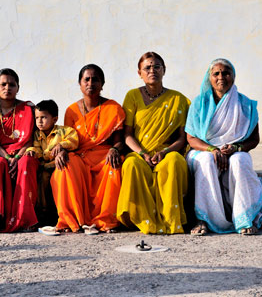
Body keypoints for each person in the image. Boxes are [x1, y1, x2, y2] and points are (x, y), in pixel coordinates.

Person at [185, 58, 262, 235]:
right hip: (202, 151)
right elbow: (191, 138)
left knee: (240, 160)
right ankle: (204, 219)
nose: (221, 77)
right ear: (209, 78)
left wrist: (236, 149)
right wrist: (212, 150)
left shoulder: (245, 105)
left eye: (226, 72)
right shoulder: (199, 103)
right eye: (216, 73)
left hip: (234, 150)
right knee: (207, 161)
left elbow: (254, 139)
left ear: (233, 76)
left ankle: (245, 218)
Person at [116, 52, 191, 234]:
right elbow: (127, 135)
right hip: (141, 152)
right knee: (132, 164)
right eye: (147, 67)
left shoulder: (178, 99)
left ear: (164, 70)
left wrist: (165, 152)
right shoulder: (132, 96)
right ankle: (142, 219)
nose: (152, 71)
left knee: (175, 162)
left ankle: (171, 220)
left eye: (157, 66)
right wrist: (143, 153)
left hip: (166, 152)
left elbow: (183, 138)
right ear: (139, 72)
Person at [51, 64, 125, 234]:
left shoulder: (113, 108)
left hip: (104, 155)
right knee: (64, 167)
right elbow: (68, 138)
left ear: (102, 84)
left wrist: (114, 149)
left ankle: (105, 220)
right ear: (80, 83)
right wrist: (61, 150)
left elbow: (119, 141)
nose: (91, 83)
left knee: (114, 165)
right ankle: (73, 220)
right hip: (80, 154)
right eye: (87, 79)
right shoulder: (71, 110)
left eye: (95, 79)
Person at [0, 68, 39, 232]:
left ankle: (26, 219)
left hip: (24, 152)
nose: (7, 88)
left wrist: (18, 156)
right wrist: (8, 158)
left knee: (27, 163)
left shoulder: (28, 108)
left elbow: (30, 138)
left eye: (12, 84)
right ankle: (0, 218)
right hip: (2, 154)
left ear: (18, 87)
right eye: (3, 84)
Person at [25, 100, 79, 226]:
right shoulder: (37, 134)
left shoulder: (64, 131)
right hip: (45, 167)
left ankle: (61, 213)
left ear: (55, 119)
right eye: (37, 117)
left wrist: (62, 145)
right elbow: (37, 148)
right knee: (42, 180)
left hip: (58, 166)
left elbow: (74, 139)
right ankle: (44, 213)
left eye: (43, 117)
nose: (39, 121)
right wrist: (32, 151)